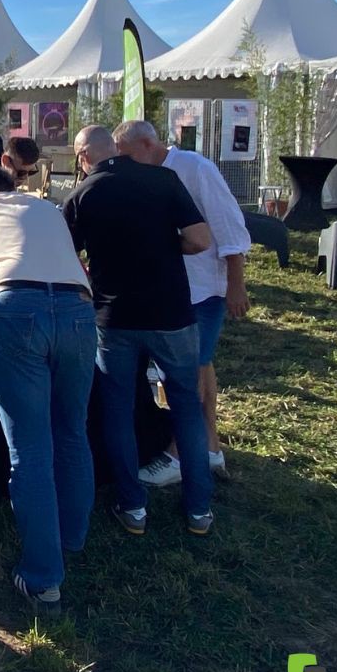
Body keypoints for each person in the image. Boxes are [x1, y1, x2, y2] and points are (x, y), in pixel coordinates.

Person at [0, 166, 96, 613]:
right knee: (72, 431)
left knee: (29, 448)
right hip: (78, 309)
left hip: (18, 308)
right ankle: (71, 538)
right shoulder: (47, 207)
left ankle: (42, 578)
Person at [63, 126, 215, 537]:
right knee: (186, 405)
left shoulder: (83, 193)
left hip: (115, 319)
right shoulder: (163, 178)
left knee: (118, 409)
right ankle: (199, 509)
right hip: (172, 314)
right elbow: (200, 240)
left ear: (84, 157)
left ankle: (133, 507)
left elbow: (65, 258)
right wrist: (166, 246)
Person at [112, 120, 251, 484]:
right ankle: (210, 446)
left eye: (125, 156)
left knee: (187, 372)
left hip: (203, 289)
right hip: (171, 289)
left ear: (146, 145)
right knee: (199, 366)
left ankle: (178, 453)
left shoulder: (195, 168)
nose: (122, 164)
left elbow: (229, 226)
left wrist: (236, 284)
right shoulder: (144, 176)